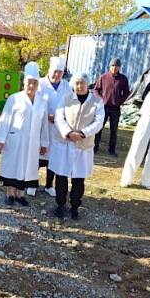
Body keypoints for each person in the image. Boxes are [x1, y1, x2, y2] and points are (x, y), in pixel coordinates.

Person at [50, 72, 104, 219]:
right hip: (65, 143)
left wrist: (82, 133)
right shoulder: (66, 99)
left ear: (88, 85)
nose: (79, 86)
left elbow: (98, 122)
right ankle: (60, 204)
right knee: (61, 176)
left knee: (78, 178)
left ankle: (75, 206)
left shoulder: (96, 102)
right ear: (73, 85)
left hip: (83, 145)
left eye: (82, 83)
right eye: (77, 83)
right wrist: (68, 133)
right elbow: (59, 118)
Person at [0, 62, 49, 207]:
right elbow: (5, 119)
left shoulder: (43, 102)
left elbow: (44, 125)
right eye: (29, 83)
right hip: (15, 138)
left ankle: (21, 195)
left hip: (32, 142)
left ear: (38, 85)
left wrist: (44, 143)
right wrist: (1, 138)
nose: (31, 86)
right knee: (13, 166)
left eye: (35, 83)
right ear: (24, 83)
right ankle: (10, 194)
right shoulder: (14, 98)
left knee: (28, 167)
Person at [27, 56, 72, 197]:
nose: (57, 75)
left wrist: (62, 117)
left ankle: (48, 185)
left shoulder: (66, 86)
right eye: (55, 71)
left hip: (59, 128)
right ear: (49, 70)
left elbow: (71, 105)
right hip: (41, 125)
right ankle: (32, 183)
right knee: (37, 155)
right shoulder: (39, 83)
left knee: (54, 157)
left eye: (60, 72)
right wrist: (47, 116)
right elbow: (33, 102)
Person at [93, 58, 130, 157]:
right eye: (113, 66)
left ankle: (111, 150)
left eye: (116, 66)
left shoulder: (123, 79)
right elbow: (96, 90)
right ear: (110, 66)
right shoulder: (104, 77)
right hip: (104, 107)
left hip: (115, 108)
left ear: (119, 67)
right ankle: (95, 147)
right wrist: (101, 99)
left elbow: (127, 92)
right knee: (99, 127)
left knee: (114, 130)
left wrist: (120, 101)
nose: (114, 68)